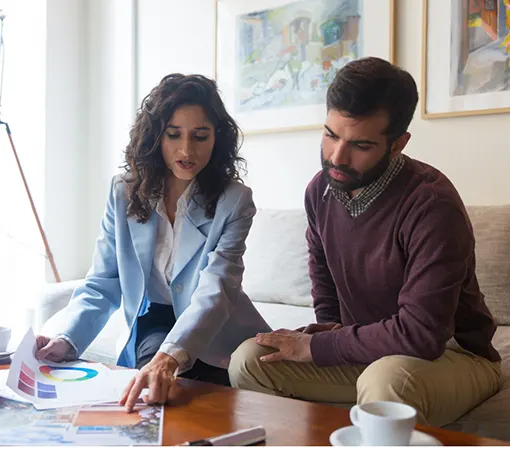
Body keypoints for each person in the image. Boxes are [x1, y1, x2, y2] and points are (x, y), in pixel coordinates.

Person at [228, 57, 502, 427]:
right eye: (330, 134)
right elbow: (324, 282)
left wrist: (316, 348)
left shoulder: (432, 204)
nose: (337, 157)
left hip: (453, 355)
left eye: (360, 144)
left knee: (385, 380)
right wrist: (327, 332)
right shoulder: (320, 191)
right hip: (369, 349)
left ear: (397, 145)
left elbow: (421, 335)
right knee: (249, 359)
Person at [35, 73, 271, 412]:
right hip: (154, 322)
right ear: (155, 136)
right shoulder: (123, 192)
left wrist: (173, 355)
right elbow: (103, 283)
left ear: (216, 139)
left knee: (222, 407)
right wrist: (66, 338)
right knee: (153, 398)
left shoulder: (234, 200)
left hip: (216, 330)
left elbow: (217, 288)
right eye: (173, 135)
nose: (186, 150)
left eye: (200, 136)